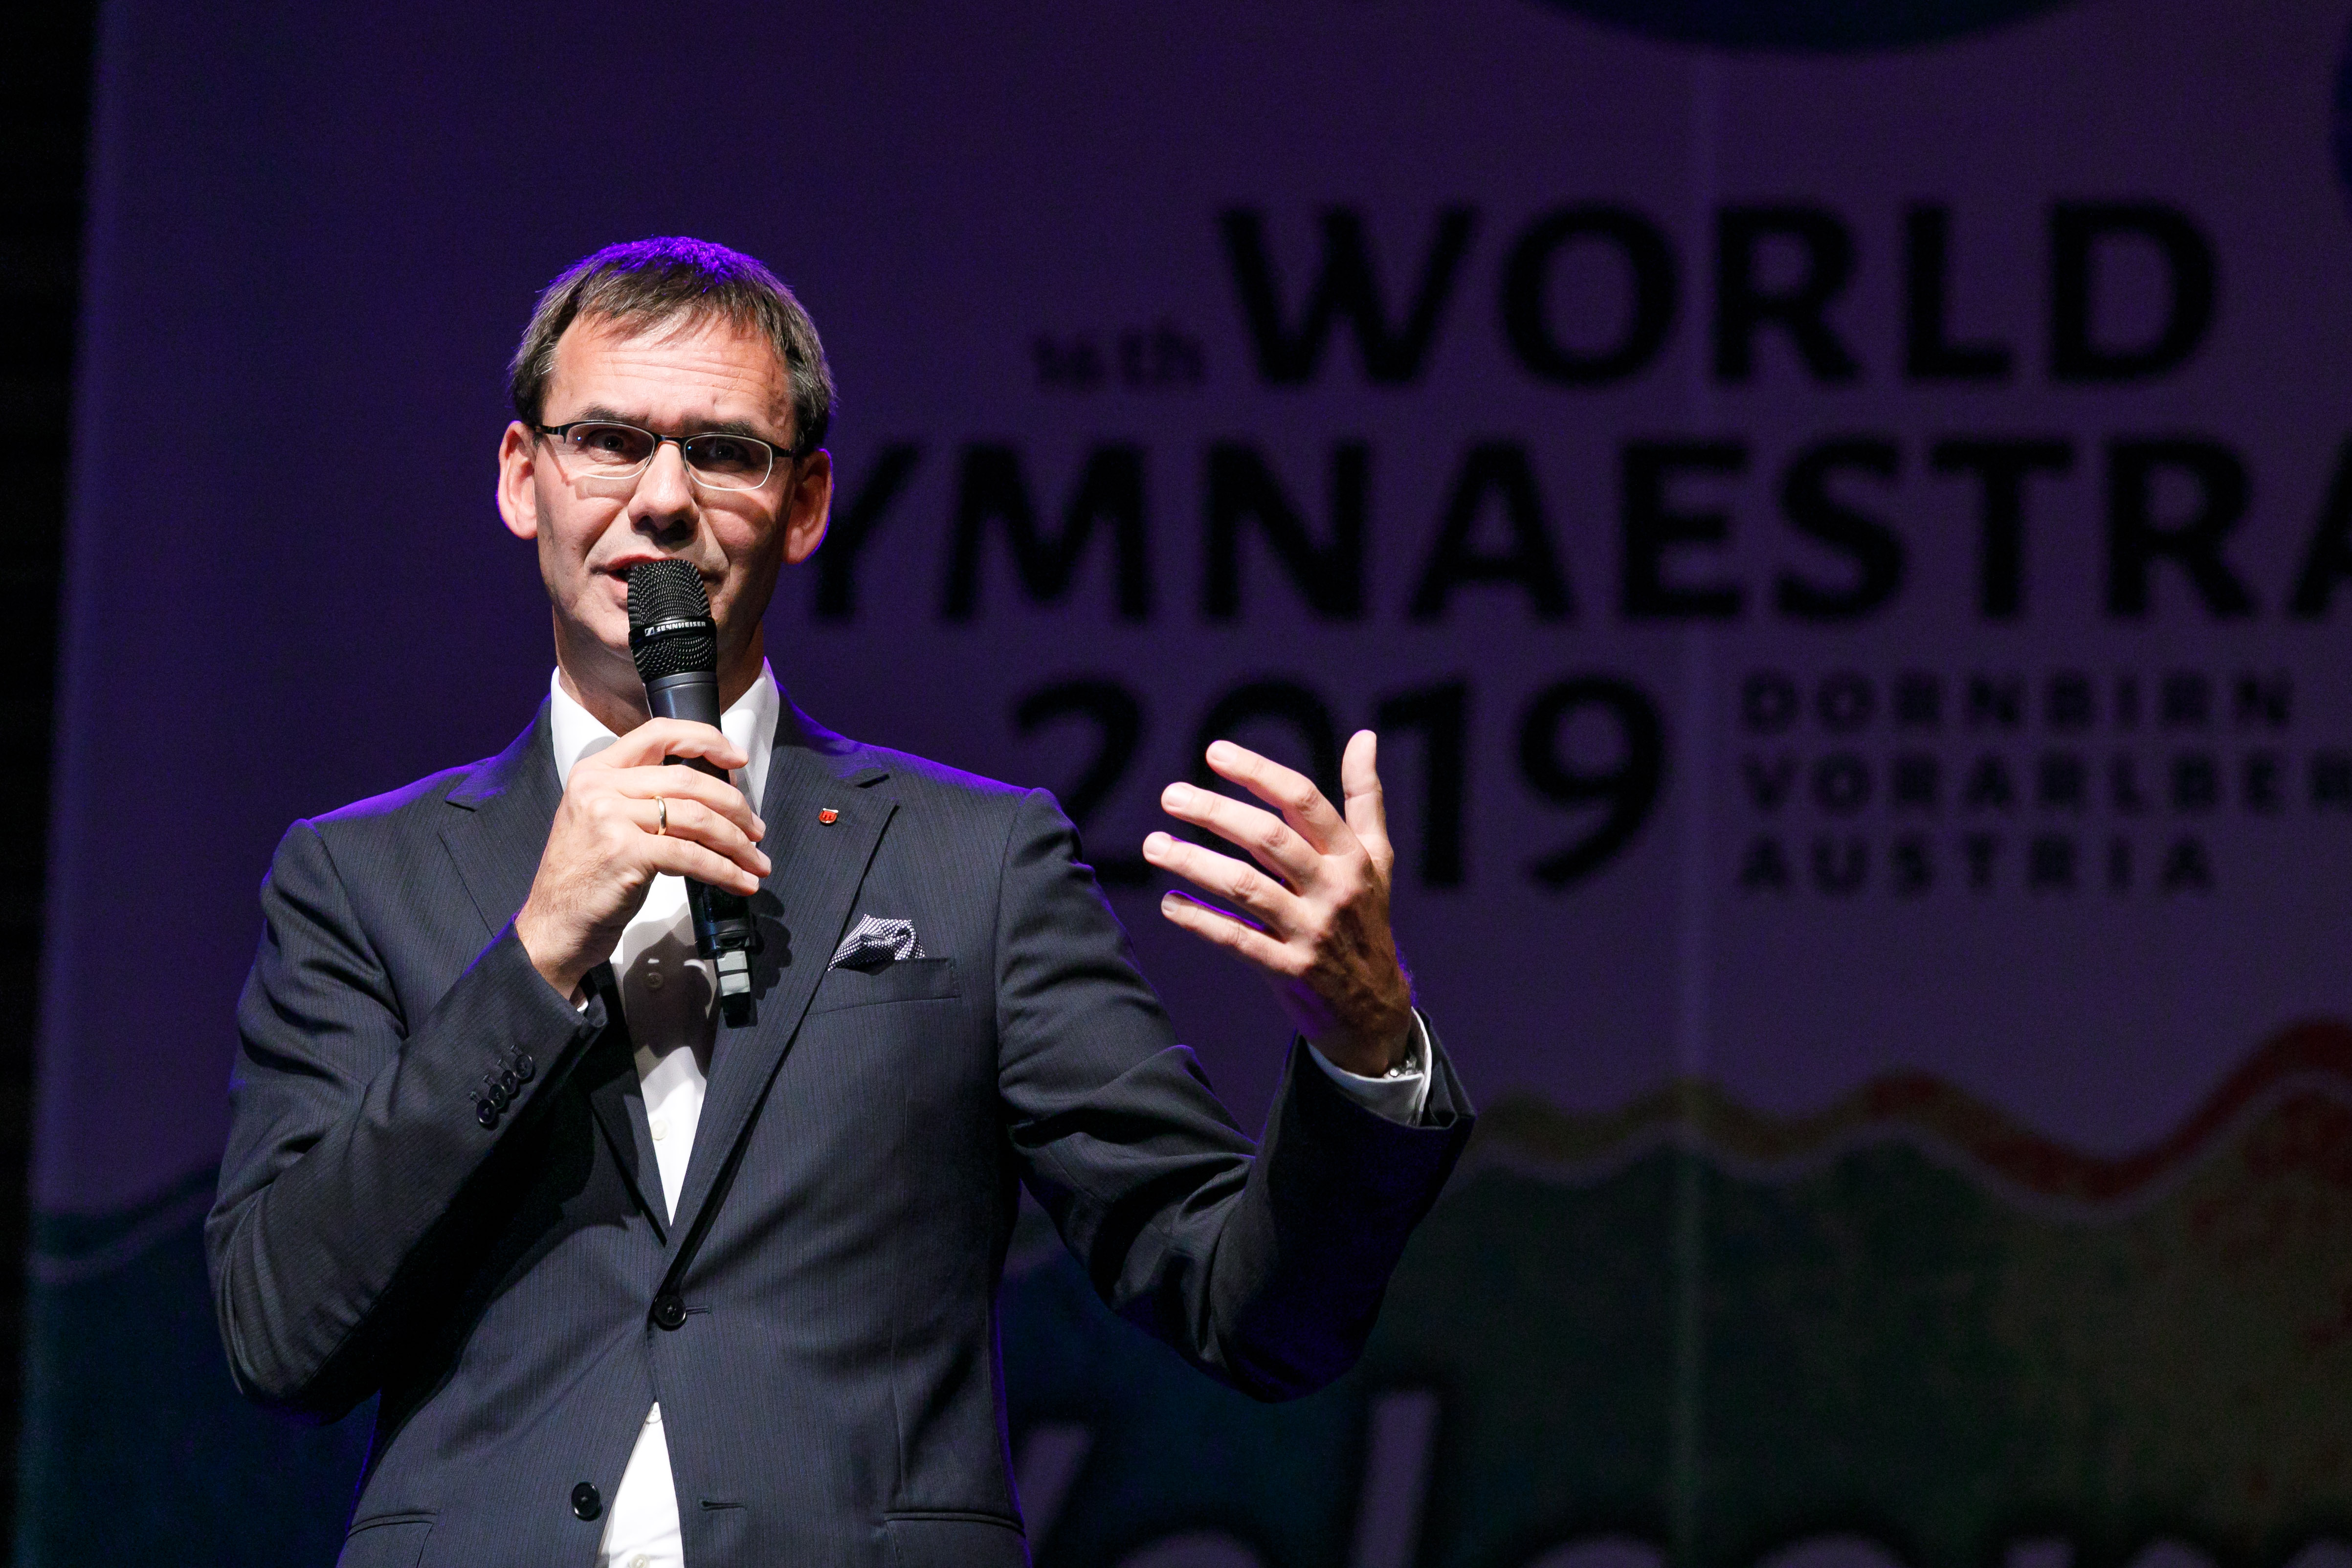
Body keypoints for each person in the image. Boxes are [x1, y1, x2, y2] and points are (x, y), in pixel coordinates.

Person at [206, 237, 1472, 1568]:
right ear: (525, 477)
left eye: (724, 453)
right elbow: (280, 1335)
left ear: (805, 504)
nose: (663, 501)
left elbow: (1248, 1312)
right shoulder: (360, 878)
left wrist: (1367, 1041)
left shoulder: (975, 866)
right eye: (610, 442)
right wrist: (537, 957)